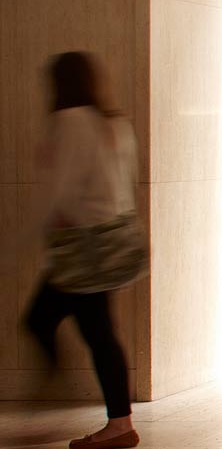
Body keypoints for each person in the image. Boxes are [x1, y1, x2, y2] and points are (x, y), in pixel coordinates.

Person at [26, 52, 142, 449]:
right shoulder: (115, 122)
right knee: (90, 329)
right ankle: (117, 422)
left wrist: (39, 232)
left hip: (84, 248)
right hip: (114, 243)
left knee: (59, 323)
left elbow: (61, 188)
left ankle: (119, 425)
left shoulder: (69, 122)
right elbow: (126, 181)